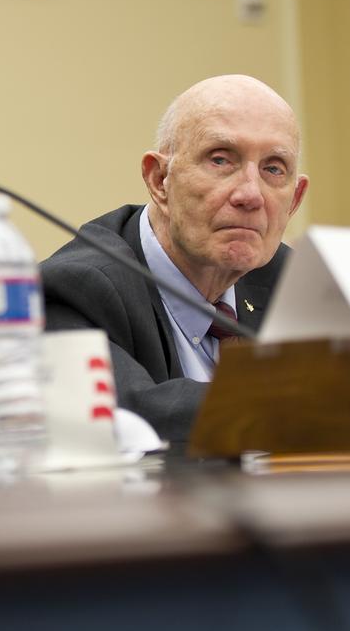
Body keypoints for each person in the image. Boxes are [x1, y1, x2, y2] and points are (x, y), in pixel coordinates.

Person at [41, 75, 308, 443]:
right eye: (220, 160)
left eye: (273, 168)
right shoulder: (79, 286)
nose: (251, 195)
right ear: (159, 179)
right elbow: (134, 419)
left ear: (294, 200)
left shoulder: (295, 284)